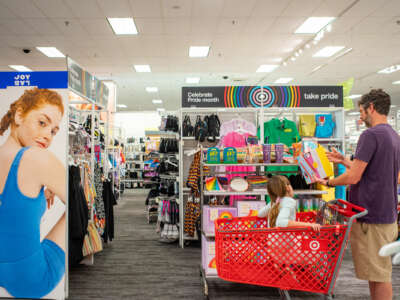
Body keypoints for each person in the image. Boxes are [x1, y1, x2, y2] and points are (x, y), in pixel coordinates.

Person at [315, 89, 400, 300]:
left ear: (371, 107)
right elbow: (373, 171)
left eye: (361, 111)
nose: (360, 117)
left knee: (379, 275)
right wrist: (344, 161)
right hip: (385, 214)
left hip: (371, 217)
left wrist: (329, 182)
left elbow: (353, 178)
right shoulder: (393, 135)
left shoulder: (370, 135)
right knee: (378, 272)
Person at [0, 88, 66, 298]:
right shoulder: (38, 158)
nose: (48, 135)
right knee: (77, 207)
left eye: (54, 131)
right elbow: (80, 206)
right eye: (42, 123)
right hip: (29, 278)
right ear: (19, 115)